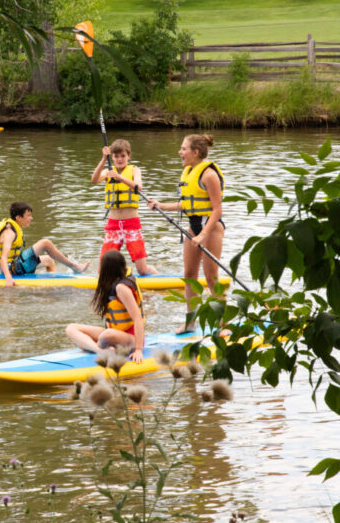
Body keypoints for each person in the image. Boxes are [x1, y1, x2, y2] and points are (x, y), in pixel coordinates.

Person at [147, 133, 224, 331]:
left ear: (195, 152)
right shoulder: (190, 172)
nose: (179, 152)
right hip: (194, 226)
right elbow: (187, 204)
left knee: (211, 278)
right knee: (189, 275)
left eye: (183, 148)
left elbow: (217, 210)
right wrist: (160, 205)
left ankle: (223, 324)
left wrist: (203, 235)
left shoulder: (209, 175)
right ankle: (191, 322)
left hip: (211, 228)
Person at [91, 138, 157, 276]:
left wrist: (119, 178)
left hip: (131, 224)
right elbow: (94, 179)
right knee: (103, 270)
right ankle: (122, 274)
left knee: (143, 270)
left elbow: (138, 186)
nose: (119, 159)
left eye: (123, 156)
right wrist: (104, 159)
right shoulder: (108, 171)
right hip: (113, 225)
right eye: (116, 156)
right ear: (112, 157)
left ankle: (155, 275)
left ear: (128, 156)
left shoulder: (134, 170)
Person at [66, 249, 145, 363]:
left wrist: (138, 350)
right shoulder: (113, 284)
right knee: (71, 328)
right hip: (115, 333)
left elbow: (137, 319)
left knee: (105, 336)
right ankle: (99, 350)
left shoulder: (122, 288)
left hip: (131, 338)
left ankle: (90, 345)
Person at [0, 201, 90, 287]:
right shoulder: (9, 232)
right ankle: (75, 266)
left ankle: (50, 286)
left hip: (15, 266)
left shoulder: (13, 227)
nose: (31, 218)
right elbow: (3, 257)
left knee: (49, 260)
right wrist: (8, 278)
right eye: (28, 215)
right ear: (18, 217)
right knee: (45, 243)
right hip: (12, 269)